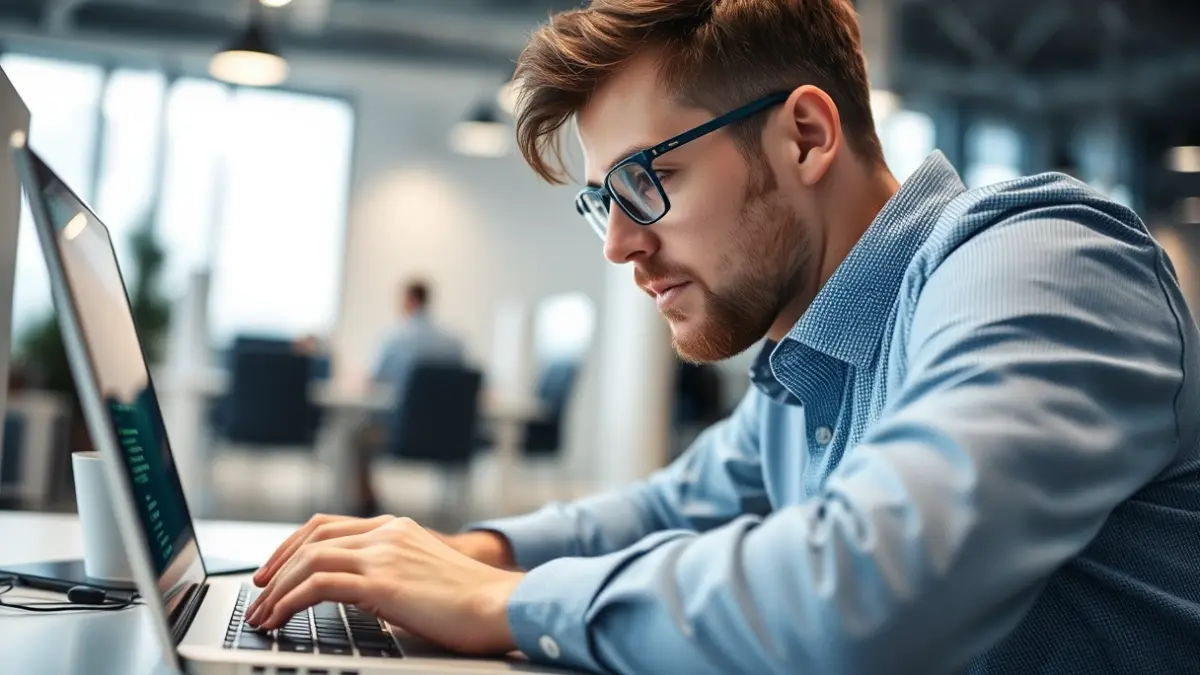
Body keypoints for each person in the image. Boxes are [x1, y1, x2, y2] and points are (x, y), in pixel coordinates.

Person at [246, 1, 1200, 673]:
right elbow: (660, 512)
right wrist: (462, 554)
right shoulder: (806, 369)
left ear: (805, 137)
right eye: (600, 202)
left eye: (644, 182)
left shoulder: (1040, 261)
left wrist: (504, 605)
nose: (619, 243)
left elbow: (868, 588)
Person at [352, 279, 464, 514]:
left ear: (410, 300)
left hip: (399, 434)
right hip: (448, 435)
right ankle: (455, 508)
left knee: (356, 435)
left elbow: (373, 382)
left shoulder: (395, 339)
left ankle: (365, 503)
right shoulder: (453, 342)